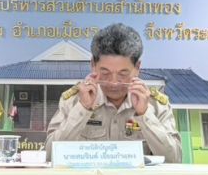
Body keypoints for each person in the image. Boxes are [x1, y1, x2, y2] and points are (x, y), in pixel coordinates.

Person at [45, 23, 182, 162]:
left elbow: (174, 160)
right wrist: (82, 109)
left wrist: (145, 114)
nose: (114, 82)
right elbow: (50, 156)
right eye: (105, 73)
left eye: (123, 73)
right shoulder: (74, 101)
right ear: (93, 65)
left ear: (137, 67)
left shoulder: (155, 104)